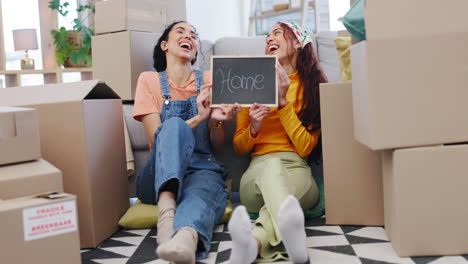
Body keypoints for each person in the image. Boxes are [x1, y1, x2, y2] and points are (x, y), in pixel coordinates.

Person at [133, 21, 239, 264]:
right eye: (180, 32)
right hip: (158, 175)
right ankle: (166, 218)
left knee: (201, 193)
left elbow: (217, 145)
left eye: (194, 35)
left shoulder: (211, 80)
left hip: (201, 167)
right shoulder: (148, 80)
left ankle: (185, 241)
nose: (189, 37)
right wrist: (197, 118)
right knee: (172, 126)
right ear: (165, 45)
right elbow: (156, 137)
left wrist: (215, 121)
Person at [228, 21, 328, 264]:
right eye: (267, 37)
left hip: (297, 171)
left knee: (275, 205)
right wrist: (253, 127)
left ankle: (252, 246)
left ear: (297, 42)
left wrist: (283, 104)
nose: (269, 39)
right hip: (256, 175)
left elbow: (305, 148)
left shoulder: (313, 87)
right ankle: (296, 243)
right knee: (273, 172)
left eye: (276, 33)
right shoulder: (252, 83)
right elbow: (239, 147)